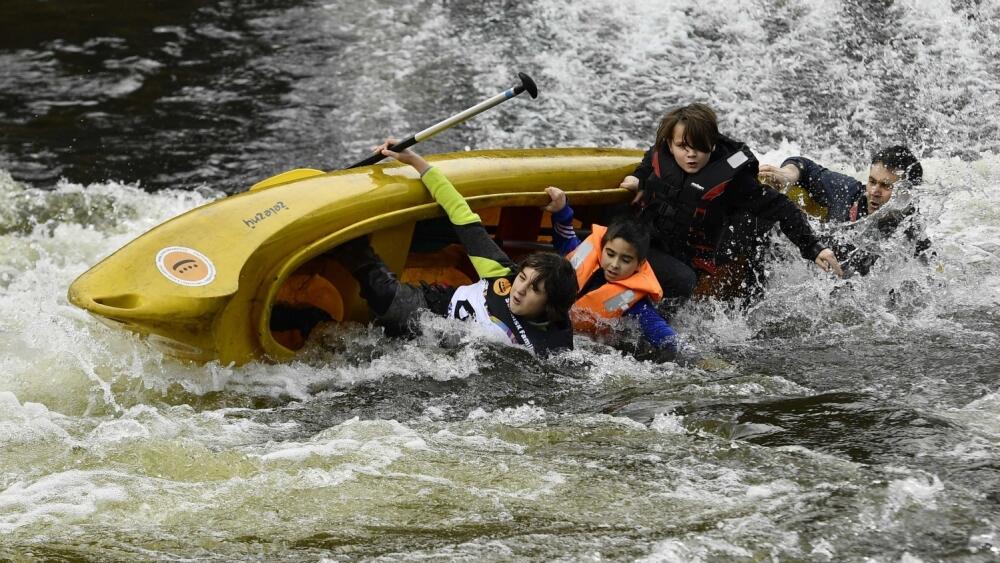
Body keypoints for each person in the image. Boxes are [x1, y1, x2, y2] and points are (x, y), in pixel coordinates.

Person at [331, 140, 579, 357]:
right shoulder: (500, 272)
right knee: (385, 296)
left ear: (550, 305)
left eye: (534, 289)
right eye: (523, 278)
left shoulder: (549, 349)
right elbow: (462, 215)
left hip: (440, 359)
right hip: (431, 310)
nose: (520, 290)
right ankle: (347, 246)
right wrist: (417, 162)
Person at [619, 103, 842, 303]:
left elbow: (782, 208)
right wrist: (638, 177)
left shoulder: (733, 180)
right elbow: (651, 158)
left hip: (688, 259)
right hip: (649, 239)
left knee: (682, 280)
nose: (691, 155)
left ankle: (637, 315)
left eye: (699, 147)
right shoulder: (664, 150)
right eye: (683, 147)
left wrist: (813, 248)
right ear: (670, 144)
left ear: (713, 145)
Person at [542, 186, 678, 360]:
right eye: (610, 254)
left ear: (639, 264)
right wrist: (562, 209)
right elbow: (565, 237)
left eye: (626, 260)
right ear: (602, 249)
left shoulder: (632, 301)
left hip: (579, 346)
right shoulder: (585, 253)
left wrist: (669, 347)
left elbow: (660, 330)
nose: (614, 265)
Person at [759, 146, 930, 274]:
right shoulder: (847, 193)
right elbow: (804, 166)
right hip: (790, 252)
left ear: (906, 194)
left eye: (886, 186)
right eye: (872, 181)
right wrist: (787, 175)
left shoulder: (910, 229)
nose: (874, 192)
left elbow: (930, 270)